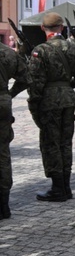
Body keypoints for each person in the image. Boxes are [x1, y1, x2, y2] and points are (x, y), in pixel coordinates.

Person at [27, 12, 75, 202]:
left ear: (42, 28)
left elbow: (35, 83)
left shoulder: (41, 50)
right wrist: (68, 85)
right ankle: (66, 185)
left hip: (49, 101)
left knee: (50, 143)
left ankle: (57, 187)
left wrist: (34, 105)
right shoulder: (73, 48)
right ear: (61, 28)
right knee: (65, 142)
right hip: (68, 99)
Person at [0, 40, 29, 218]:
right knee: (3, 153)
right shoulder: (8, 53)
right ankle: (3, 205)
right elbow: (26, 78)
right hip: (3, 102)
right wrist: (9, 94)